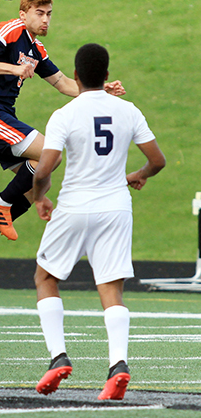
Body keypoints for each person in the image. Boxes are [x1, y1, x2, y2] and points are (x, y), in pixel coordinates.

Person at [31, 43, 165, 400]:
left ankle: (58, 357)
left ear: (75, 76)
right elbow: (158, 160)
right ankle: (118, 366)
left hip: (74, 205)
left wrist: (38, 197)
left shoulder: (65, 114)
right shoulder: (128, 110)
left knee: (45, 277)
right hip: (115, 208)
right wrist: (138, 174)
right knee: (111, 289)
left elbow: (44, 168)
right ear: (107, 76)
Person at [0, 0, 126, 276]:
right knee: (51, 154)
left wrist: (101, 89)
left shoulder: (36, 48)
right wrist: (13, 69)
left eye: (49, 14)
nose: (46, 20)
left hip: (3, 115)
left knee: (43, 180)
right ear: (23, 13)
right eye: (39, 13)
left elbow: (63, 83)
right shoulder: (10, 29)